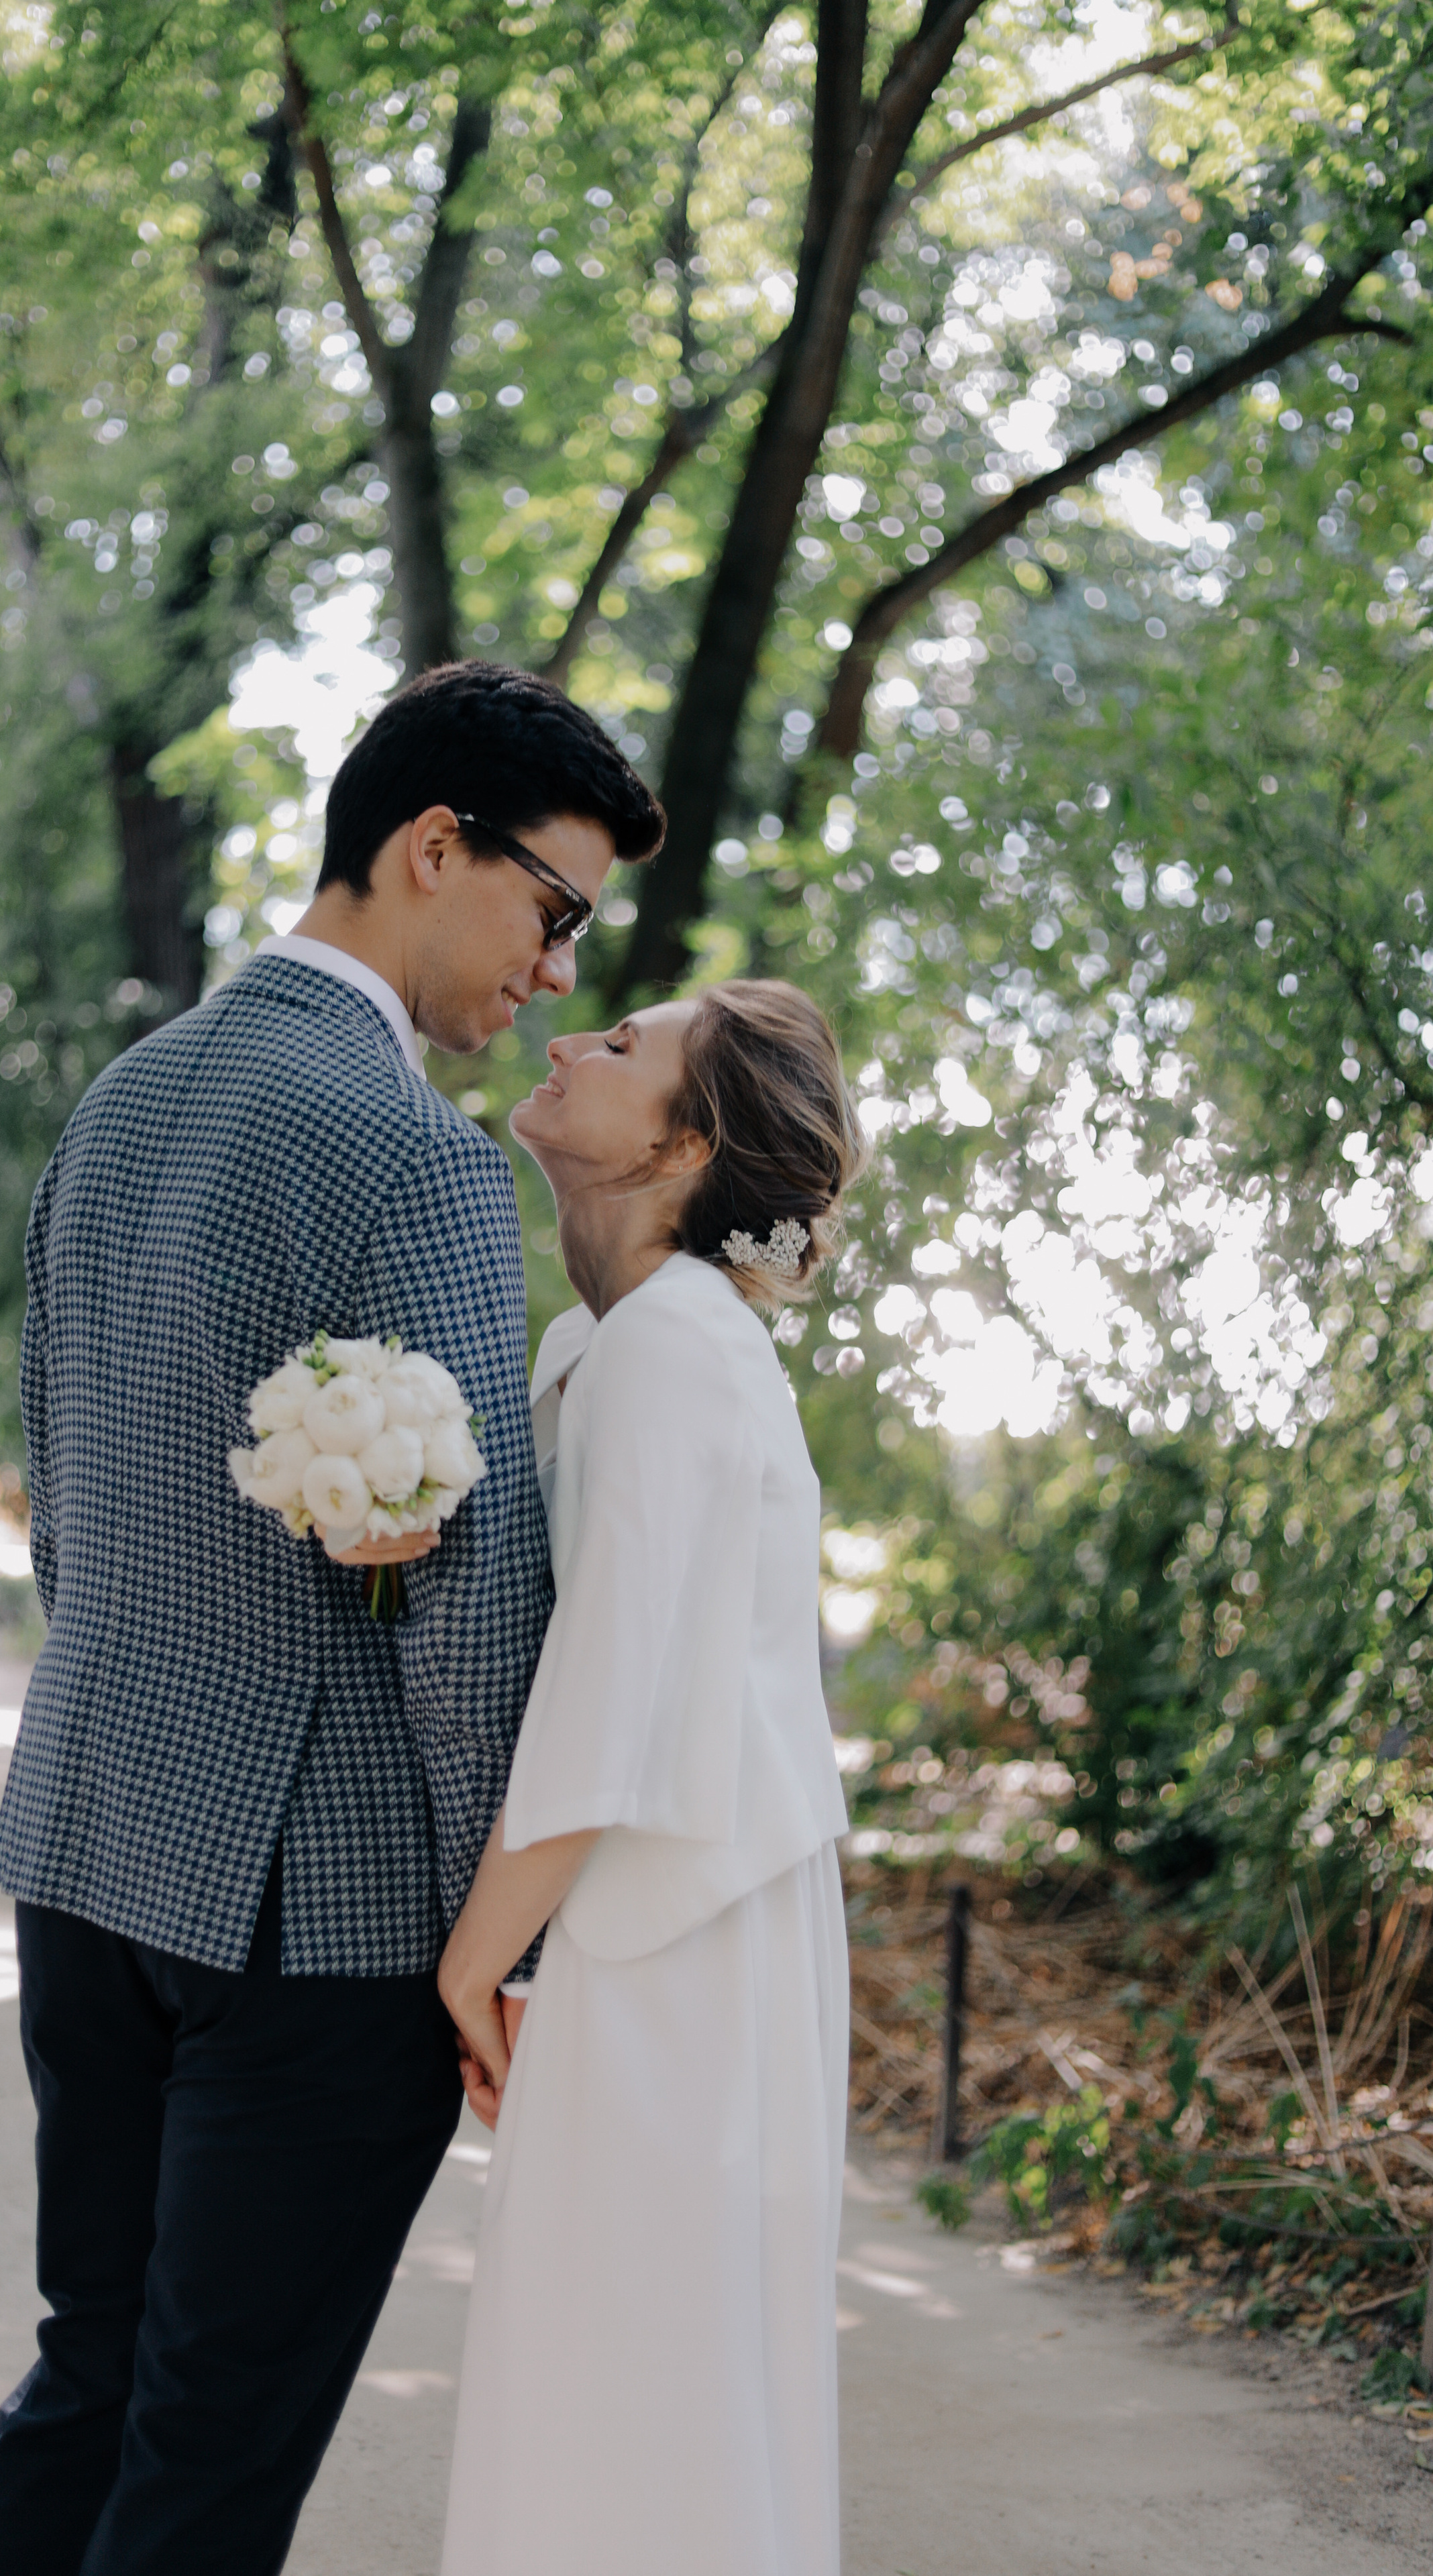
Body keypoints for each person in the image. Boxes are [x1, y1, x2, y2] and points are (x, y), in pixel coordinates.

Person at [0, 662, 662, 2576]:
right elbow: (471, 1608)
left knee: (85, 2375)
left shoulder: (127, 1097)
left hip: (86, 1850)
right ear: (437, 846)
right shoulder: (414, 1151)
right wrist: (496, 1941)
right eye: (557, 910)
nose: (561, 972)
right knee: (208, 2459)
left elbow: (64, 1475)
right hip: (317, 1917)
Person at [439, 979, 863, 2576]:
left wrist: (475, 1959)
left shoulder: (678, 1346)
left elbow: (609, 1689)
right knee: (622, 2369)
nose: (565, 1037)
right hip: (658, 1923)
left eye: (620, 1045)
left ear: (684, 1143)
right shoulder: (612, 1338)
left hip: (682, 1937)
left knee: (640, 2372)